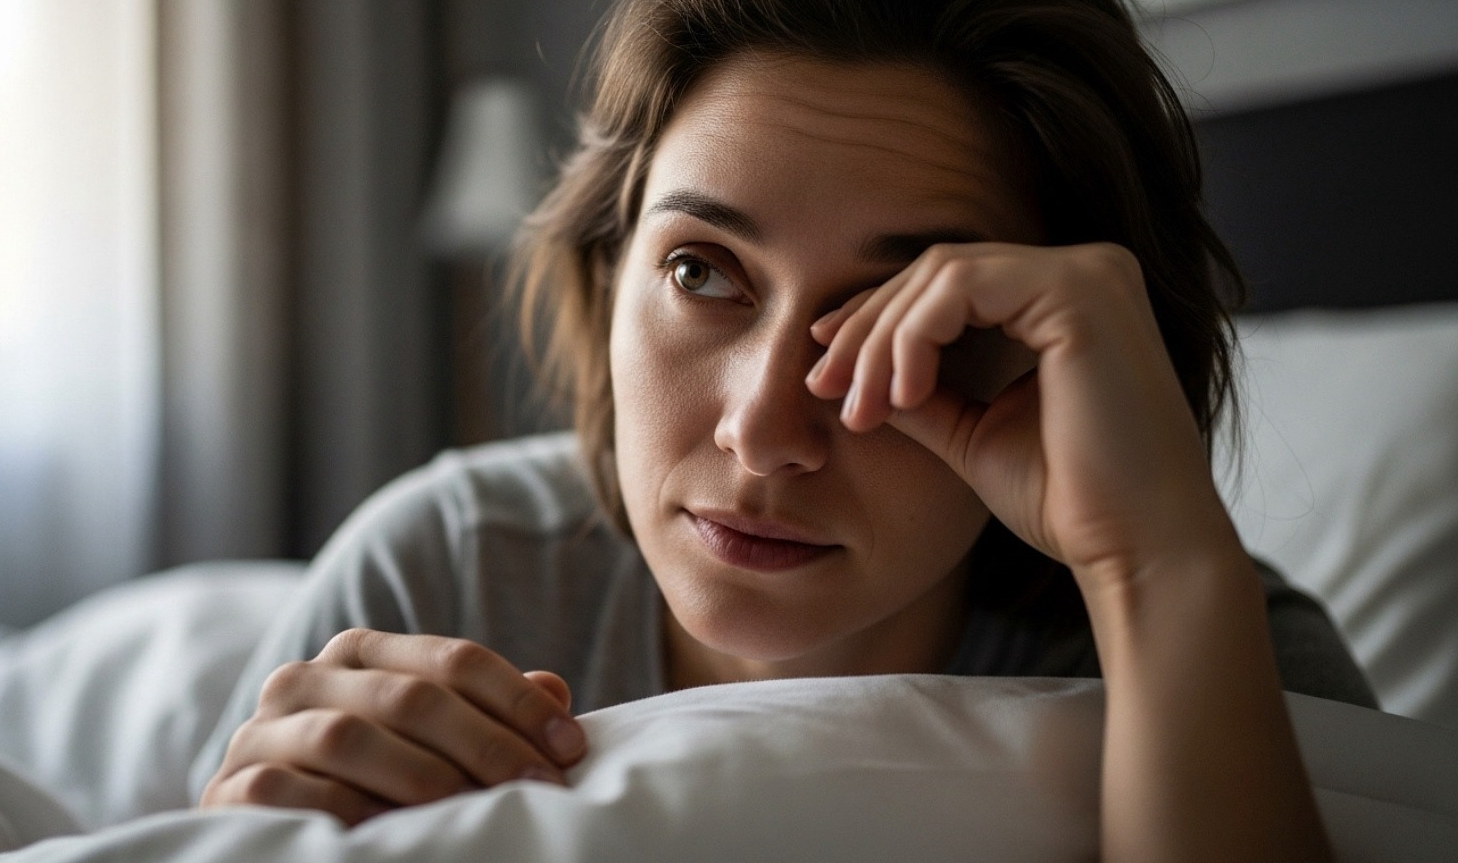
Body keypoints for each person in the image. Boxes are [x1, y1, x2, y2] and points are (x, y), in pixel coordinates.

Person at [194, 1, 1375, 859]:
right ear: (608, 281)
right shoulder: (445, 566)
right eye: (702, 269)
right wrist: (244, 831)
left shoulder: (1220, 649)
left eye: (906, 322)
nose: (764, 429)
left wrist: (1158, 565)